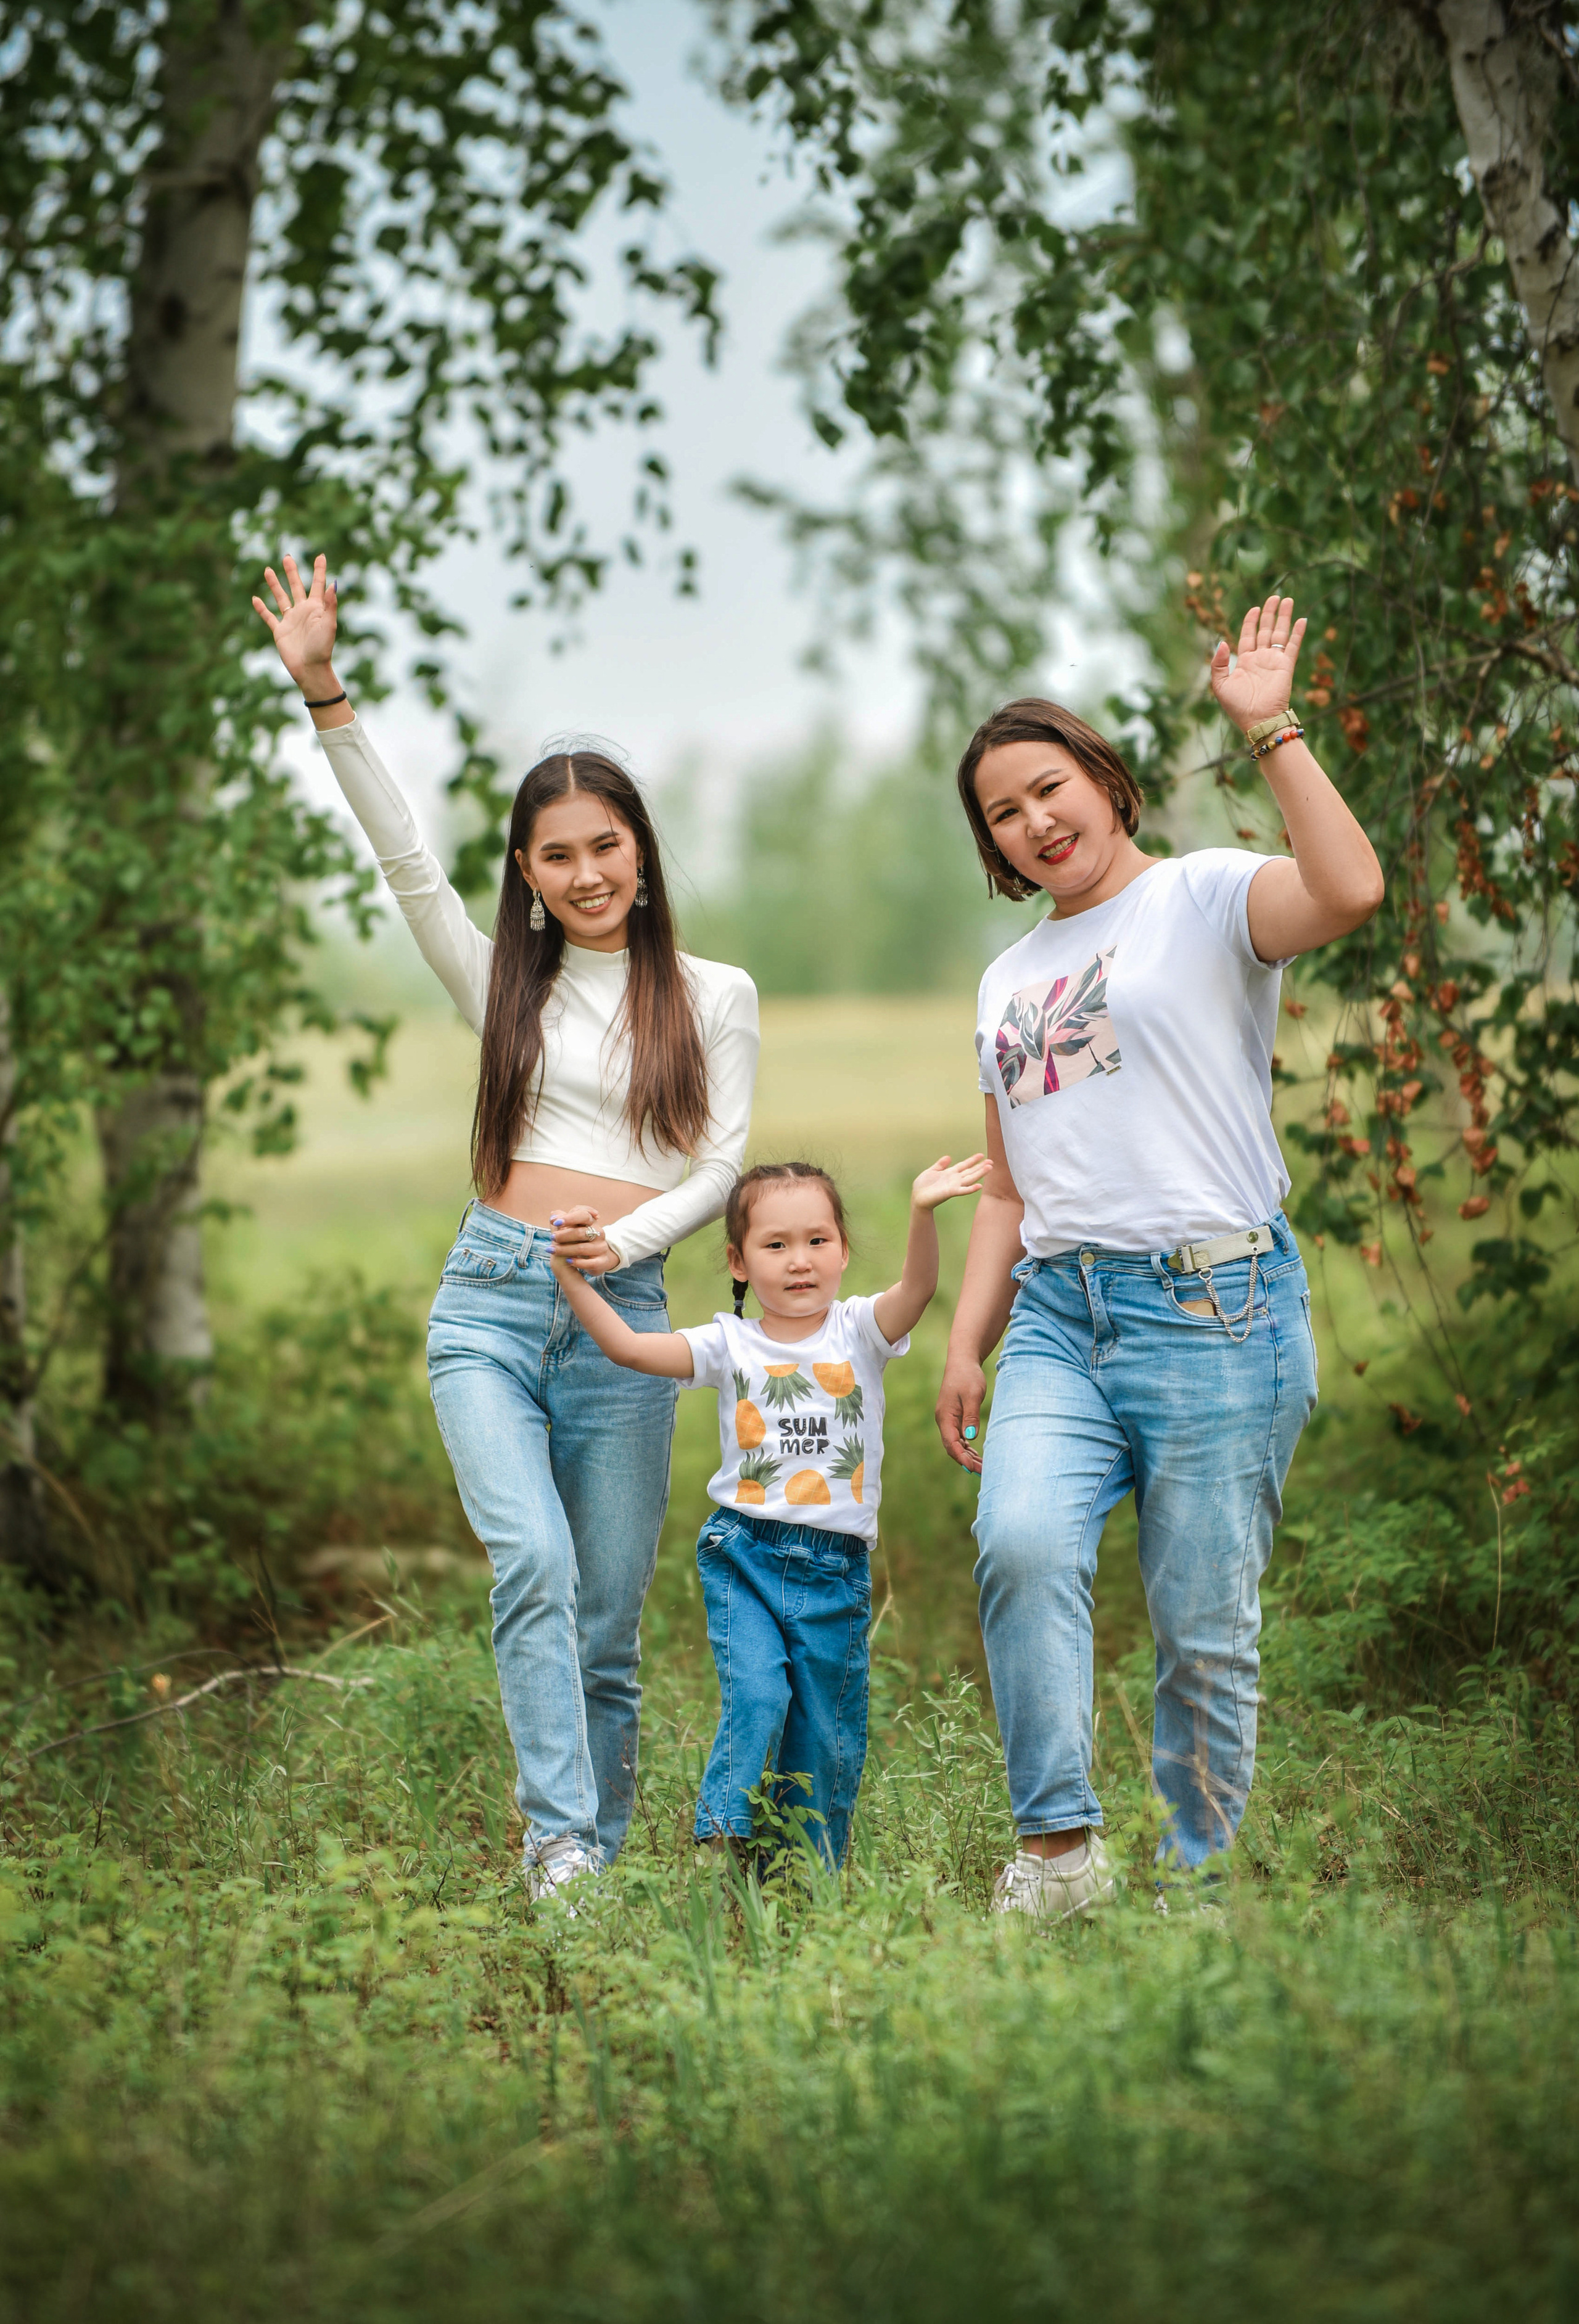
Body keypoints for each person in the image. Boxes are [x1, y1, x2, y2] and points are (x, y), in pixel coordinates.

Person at [252, 552, 759, 1903]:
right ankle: (558, 1845)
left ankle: (601, 1843)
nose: (586, 872)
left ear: (639, 852)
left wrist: (629, 1241)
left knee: (606, 1617)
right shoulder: (502, 989)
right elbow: (408, 867)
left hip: (623, 1315)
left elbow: (721, 1163)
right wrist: (326, 696)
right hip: (487, 1300)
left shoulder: (715, 994)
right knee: (531, 1561)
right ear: (527, 873)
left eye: (606, 845)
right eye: (558, 855)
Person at [934, 593, 1385, 1920]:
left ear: (1102, 778)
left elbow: (1350, 889)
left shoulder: (1201, 895)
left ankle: (1199, 1880)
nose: (1034, 821)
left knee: (1201, 1626)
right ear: (993, 845)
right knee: (1020, 1542)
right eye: (1003, 814)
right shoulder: (1004, 979)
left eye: (1048, 788)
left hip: (1216, 1304)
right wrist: (965, 1339)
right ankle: (1060, 1856)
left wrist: (1271, 730)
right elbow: (1009, 1180)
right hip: (1059, 1314)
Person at [551, 1155, 986, 1869]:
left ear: (843, 1251)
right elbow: (628, 1347)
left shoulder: (859, 1330)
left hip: (835, 1570)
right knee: (757, 1695)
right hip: (745, 1556)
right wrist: (571, 1276)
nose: (799, 1260)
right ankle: (722, 1836)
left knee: (825, 1730)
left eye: (817, 1240)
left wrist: (920, 1212)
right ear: (739, 1261)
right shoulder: (729, 1343)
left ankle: (807, 1874)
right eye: (775, 1244)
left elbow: (918, 1289)